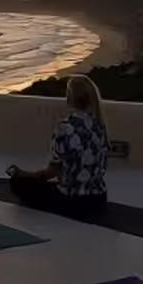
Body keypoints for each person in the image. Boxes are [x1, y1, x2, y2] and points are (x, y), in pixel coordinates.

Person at [7, 74, 109, 216]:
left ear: (70, 97)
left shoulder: (65, 128)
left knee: (18, 183)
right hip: (99, 199)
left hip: (73, 201)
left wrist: (25, 175)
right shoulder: (100, 126)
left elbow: (51, 172)